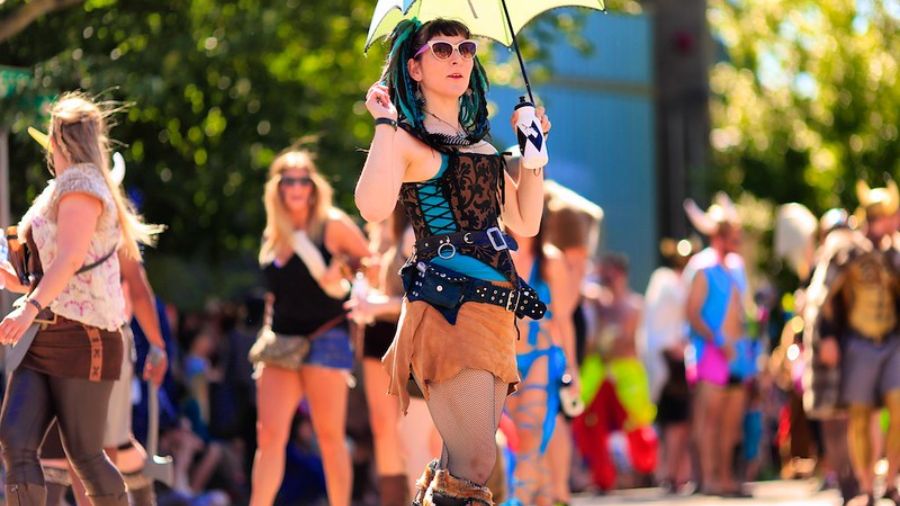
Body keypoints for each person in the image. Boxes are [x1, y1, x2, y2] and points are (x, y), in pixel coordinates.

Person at [356, 18, 550, 503]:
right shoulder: (404, 138)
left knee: (466, 467)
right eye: (441, 50)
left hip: (495, 312)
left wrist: (533, 155)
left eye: (465, 49)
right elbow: (372, 206)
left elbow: (525, 221)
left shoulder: (482, 145)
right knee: (477, 463)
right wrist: (383, 124)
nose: (458, 58)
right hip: (446, 308)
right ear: (415, 67)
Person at [0, 93, 161, 506]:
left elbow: (72, 259)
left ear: (56, 139)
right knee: (15, 441)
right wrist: (20, 287)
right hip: (49, 334)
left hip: (85, 337)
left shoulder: (83, 185)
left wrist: (30, 306)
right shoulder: (59, 189)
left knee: (86, 455)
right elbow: (43, 273)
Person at [250, 149, 370, 506]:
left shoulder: (330, 223)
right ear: (278, 187)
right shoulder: (274, 233)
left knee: (329, 437)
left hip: (326, 336)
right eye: (289, 180)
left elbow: (370, 261)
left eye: (304, 179)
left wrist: (345, 270)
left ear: (314, 185)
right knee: (269, 436)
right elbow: (275, 293)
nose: (298, 186)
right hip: (282, 341)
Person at [806, 179, 900, 506]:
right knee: (859, 417)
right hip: (858, 344)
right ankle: (863, 485)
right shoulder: (846, 249)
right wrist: (827, 336)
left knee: (898, 408)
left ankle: (890, 481)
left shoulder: (893, 255)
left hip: (891, 343)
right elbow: (821, 296)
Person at [506, 214, 578, 505]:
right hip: (505, 359)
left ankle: (519, 500)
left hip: (541, 357)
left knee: (532, 433)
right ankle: (540, 496)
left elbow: (564, 319)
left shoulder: (551, 260)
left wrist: (574, 369)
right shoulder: (497, 256)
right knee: (514, 441)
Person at [683, 194, 749, 497]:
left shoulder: (737, 267)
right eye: (732, 234)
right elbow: (693, 314)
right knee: (708, 418)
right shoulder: (702, 267)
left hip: (738, 354)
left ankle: (725, 477)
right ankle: (707, 478)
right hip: (712, 353)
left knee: (731, 421)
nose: (738, 238)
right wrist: (718, 340)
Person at [641, 238, 696, 493]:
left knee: (675, 422)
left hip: (673, 360)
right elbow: (661, 326)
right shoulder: (667, 284)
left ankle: (673, 471)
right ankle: (670, 472)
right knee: (675, 422)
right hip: (670, 360)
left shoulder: (668, 284)